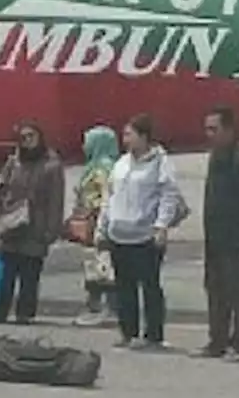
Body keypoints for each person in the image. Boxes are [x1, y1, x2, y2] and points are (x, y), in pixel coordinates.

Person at [96, 113, 187, 352]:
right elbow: (109, 196)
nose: (124, 139)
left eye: (129, 134)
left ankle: (154, 335)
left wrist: (161, 226)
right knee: (124, 286)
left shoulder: (160, 162)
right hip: (119, 233)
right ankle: (128, 332)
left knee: (149, 285)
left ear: (144, 137)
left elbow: (169, 196)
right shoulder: (121, 163)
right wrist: (102, 227)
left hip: (145, 235)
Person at [196, 106, 239, 362]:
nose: (209, 134)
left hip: (235, 241)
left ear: (229, 130)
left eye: (214, 129)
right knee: (215, 291)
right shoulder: (216, 158)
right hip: (214, 240)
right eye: (207, 129)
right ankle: (217, 342)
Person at [0, 122, 64, 324]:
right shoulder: (13, 162)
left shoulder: (52, 165)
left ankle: (25, 313)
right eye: (23, 137)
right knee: (6, 273)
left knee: (30, 274)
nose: (27, 141)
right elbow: (1, 192)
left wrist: (51, 230)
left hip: (35, 226)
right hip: (11, 225)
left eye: (31, 136)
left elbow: (56, 200)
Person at [72, 125, 120, 326]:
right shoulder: (94, 166)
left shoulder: (103, 168)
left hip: (98, 222)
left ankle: (106, 308)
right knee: (94, 265)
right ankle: (96, 306)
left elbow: (106, 197)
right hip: (90, 222)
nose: (84, 146)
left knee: (103, 266)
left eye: (88, 141)